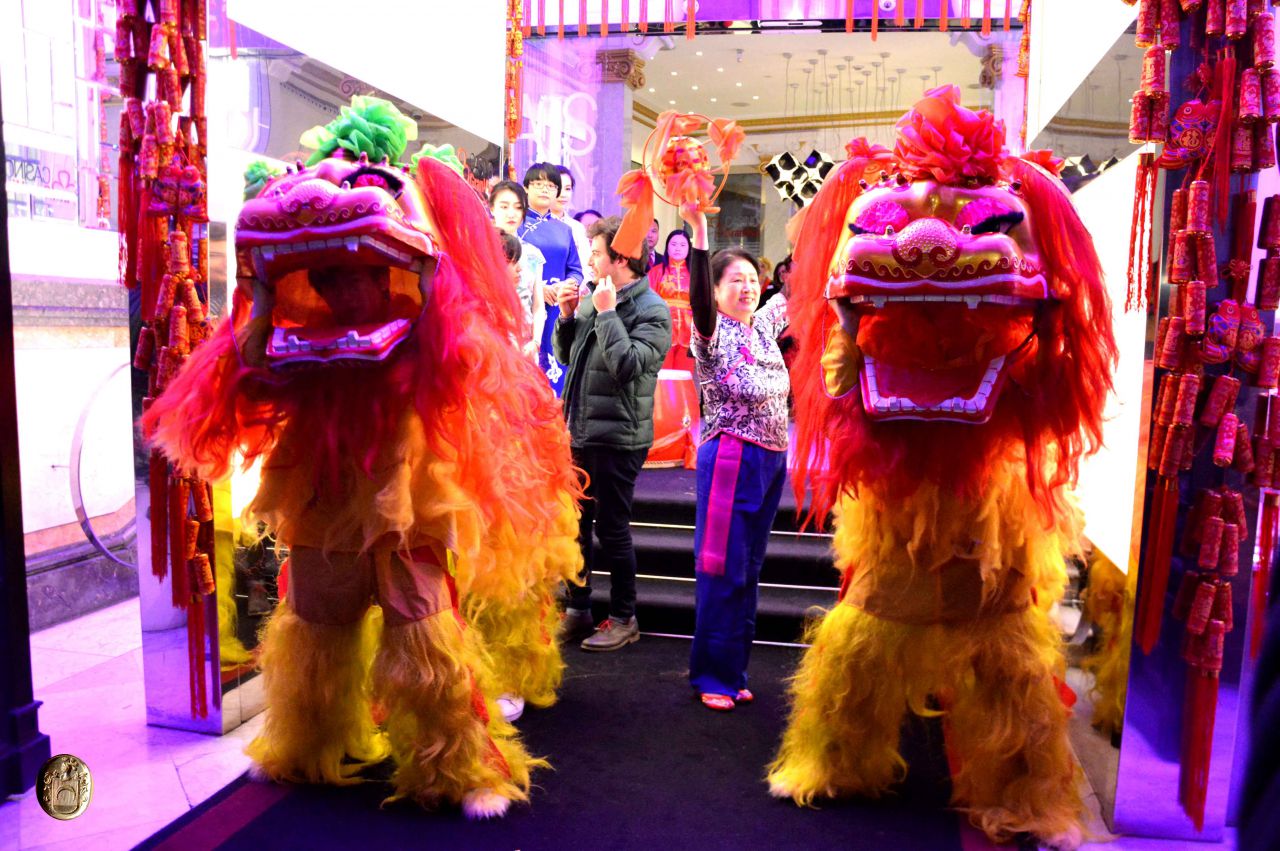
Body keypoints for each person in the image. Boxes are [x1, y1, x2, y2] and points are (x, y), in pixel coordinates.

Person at [683, 208, 790, 711]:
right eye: (735, 281)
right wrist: (700, 233)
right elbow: (699, 295)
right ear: (718, 290)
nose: (746, 288)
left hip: (770, 462)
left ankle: (734, 670)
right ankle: (712, 676)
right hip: (731, 456)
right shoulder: (712, 332)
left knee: (748, 570)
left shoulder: (764, 326)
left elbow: (802, 286)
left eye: (752, 280)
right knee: (722, 567)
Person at [555, 216, 672, 651]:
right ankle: (578, 609)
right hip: (579, 431)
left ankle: (624, 617)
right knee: (575, 527)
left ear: (621, 259)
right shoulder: (595, 297)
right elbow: (566, 356)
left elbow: (626, 367)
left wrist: (605, 313)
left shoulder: (652, 309)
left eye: (597, 252)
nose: (589, 258)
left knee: (613, 529)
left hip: (620, 437)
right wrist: (568, 317)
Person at [519, 162, 584, 396]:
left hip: (557, 309)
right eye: (538, 184)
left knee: (556, 368)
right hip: (525, 307)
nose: (545, 189)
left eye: (550, 185)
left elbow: (576, 270)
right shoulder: (518, 224)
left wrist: (565, 287)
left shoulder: (565, 230)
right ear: (526, 188)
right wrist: (539, 288)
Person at [490, 181, 545, 356]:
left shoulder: (533, 254)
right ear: (492, 208)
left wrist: (536, 342)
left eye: (518, 207)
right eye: (504, 207)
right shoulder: (481, 249)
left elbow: (537, 306)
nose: (511, 214)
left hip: (526, 346)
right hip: (491, 342)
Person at [649, 228, 695, 371]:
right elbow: (648, 302)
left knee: (685, 377)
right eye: (674, 244)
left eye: (683, 245)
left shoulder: (695, 274)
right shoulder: (656, 271)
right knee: (663, 376)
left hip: (689, 332)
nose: (677, 248)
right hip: (663, 330)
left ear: (689, 248)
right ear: (667, 246)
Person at [553, 164, 592, 276]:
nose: (563, 194)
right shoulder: (536, 225)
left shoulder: (577, 228)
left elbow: (586, 265)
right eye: (558, 188)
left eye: (568, 189)